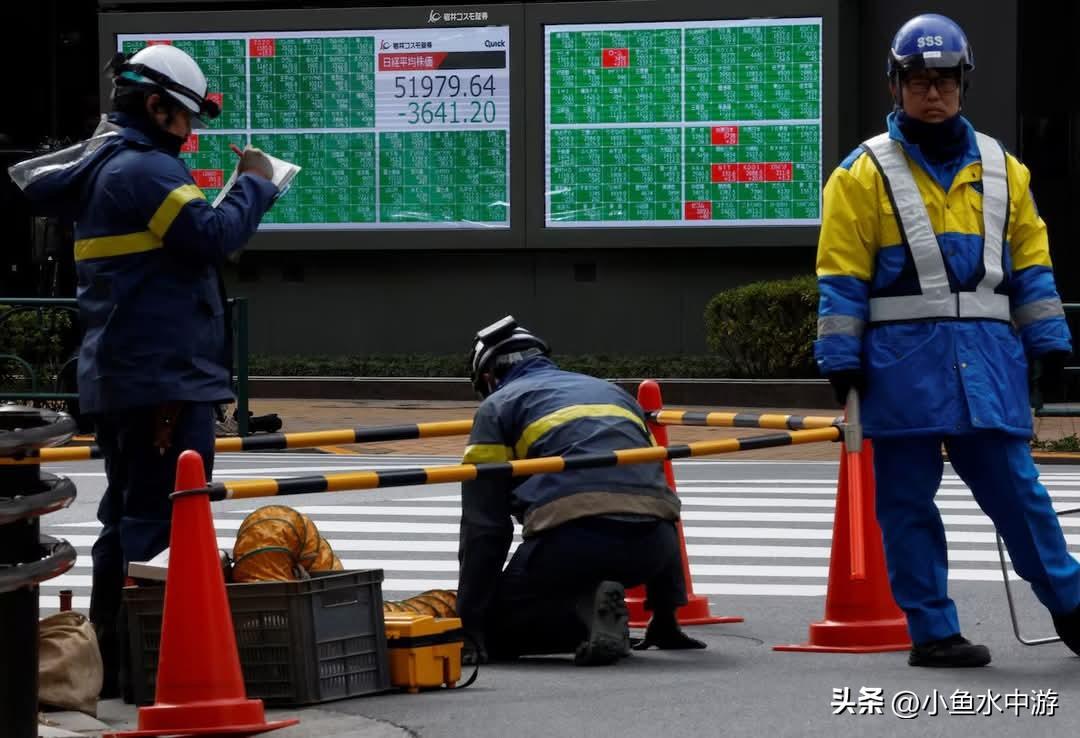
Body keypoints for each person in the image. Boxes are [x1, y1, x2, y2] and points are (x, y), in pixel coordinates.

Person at [8, 44, 279, 693]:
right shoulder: (146, 171)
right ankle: (141, 665)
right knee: (159, 523)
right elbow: (209, 238)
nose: (190, 135)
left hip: (136, 375)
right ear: (156, 108)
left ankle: (121, 659)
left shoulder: (113, 167)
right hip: (161, 380)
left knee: (131, 520)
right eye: (186, 119)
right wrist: (256, 184)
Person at [814, 13, 1080, 667]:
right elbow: (841, 276)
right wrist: (840, 363)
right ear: (895, 86)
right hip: (899, 368)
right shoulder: (860, 176)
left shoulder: (1004, 170)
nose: (932, 92)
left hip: (987, 363)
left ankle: (1075, 611)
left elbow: (1033, 266)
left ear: (963, 84)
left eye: (944, 80)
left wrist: (1050, 346)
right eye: (918, 80)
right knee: (905, 505)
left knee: (1022, 497)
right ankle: (934, 632)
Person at [456, 315, 706, 666]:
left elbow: (484, 527)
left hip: (573, 544)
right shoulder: (614, 394)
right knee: (638, 497)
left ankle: (586, 616)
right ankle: (612, 613)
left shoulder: (498, 406)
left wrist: (469, 624)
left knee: (498, 630)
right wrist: (665, 618)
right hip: (653, 548)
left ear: (488, 377)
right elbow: (654, 490)